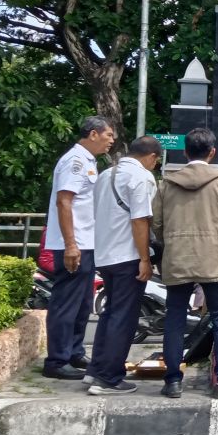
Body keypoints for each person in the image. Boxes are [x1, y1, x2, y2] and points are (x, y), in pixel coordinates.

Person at [152, 127, 218, 400]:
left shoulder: (167, 183)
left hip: (178, 258)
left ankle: (173, 381)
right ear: (212, 153)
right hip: (214, 259)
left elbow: (157, 225)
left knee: (174, 319)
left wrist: (175, 242)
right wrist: (214, 239)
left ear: (185, 152)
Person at [85, 135, 162, 395]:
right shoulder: (141, 178)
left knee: (108, 314)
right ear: (151, 157)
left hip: (105, 255)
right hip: (127, 256)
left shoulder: (106, 175)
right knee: (124, 318)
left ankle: (96, 370)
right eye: (157, 161)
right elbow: (140, 221)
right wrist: (144, 259)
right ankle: (109, 378)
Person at [41, 116, 116, 380]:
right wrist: (71, 245)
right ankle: (56, 360)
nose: (111, 141)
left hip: (87, 242)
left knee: (83, 303)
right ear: (93, 134)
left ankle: (73, 352)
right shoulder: (74, 162)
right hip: (73, 244)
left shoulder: (88, 161)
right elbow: (64, 203)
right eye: (108, 135)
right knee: (66, 303)